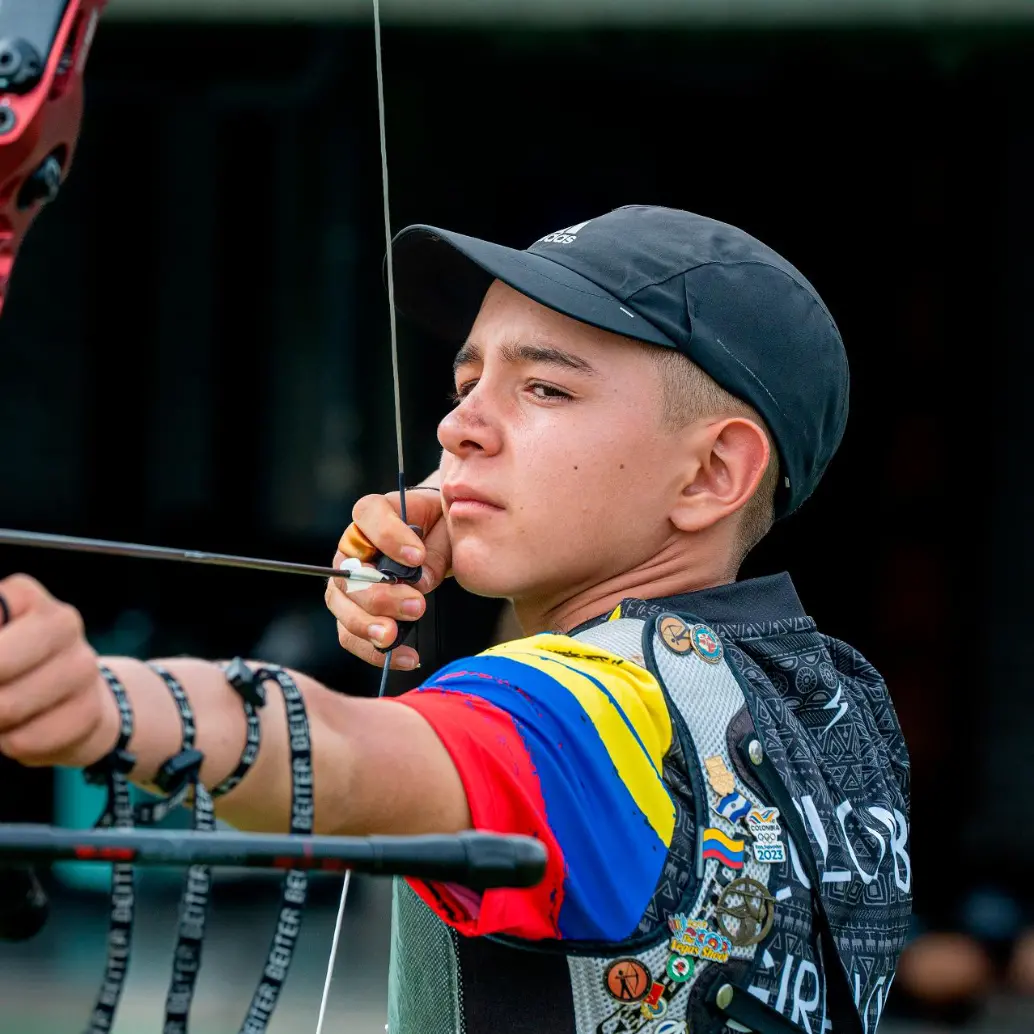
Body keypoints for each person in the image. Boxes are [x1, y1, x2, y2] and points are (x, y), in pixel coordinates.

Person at [0, 206, 911, 1034]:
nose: (457, 429)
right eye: (466, 383)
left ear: (713, 475)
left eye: (545, 390)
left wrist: (97, 701)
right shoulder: (832, 694)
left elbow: (350, 754)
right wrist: (472, 520)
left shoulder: (583, 717)